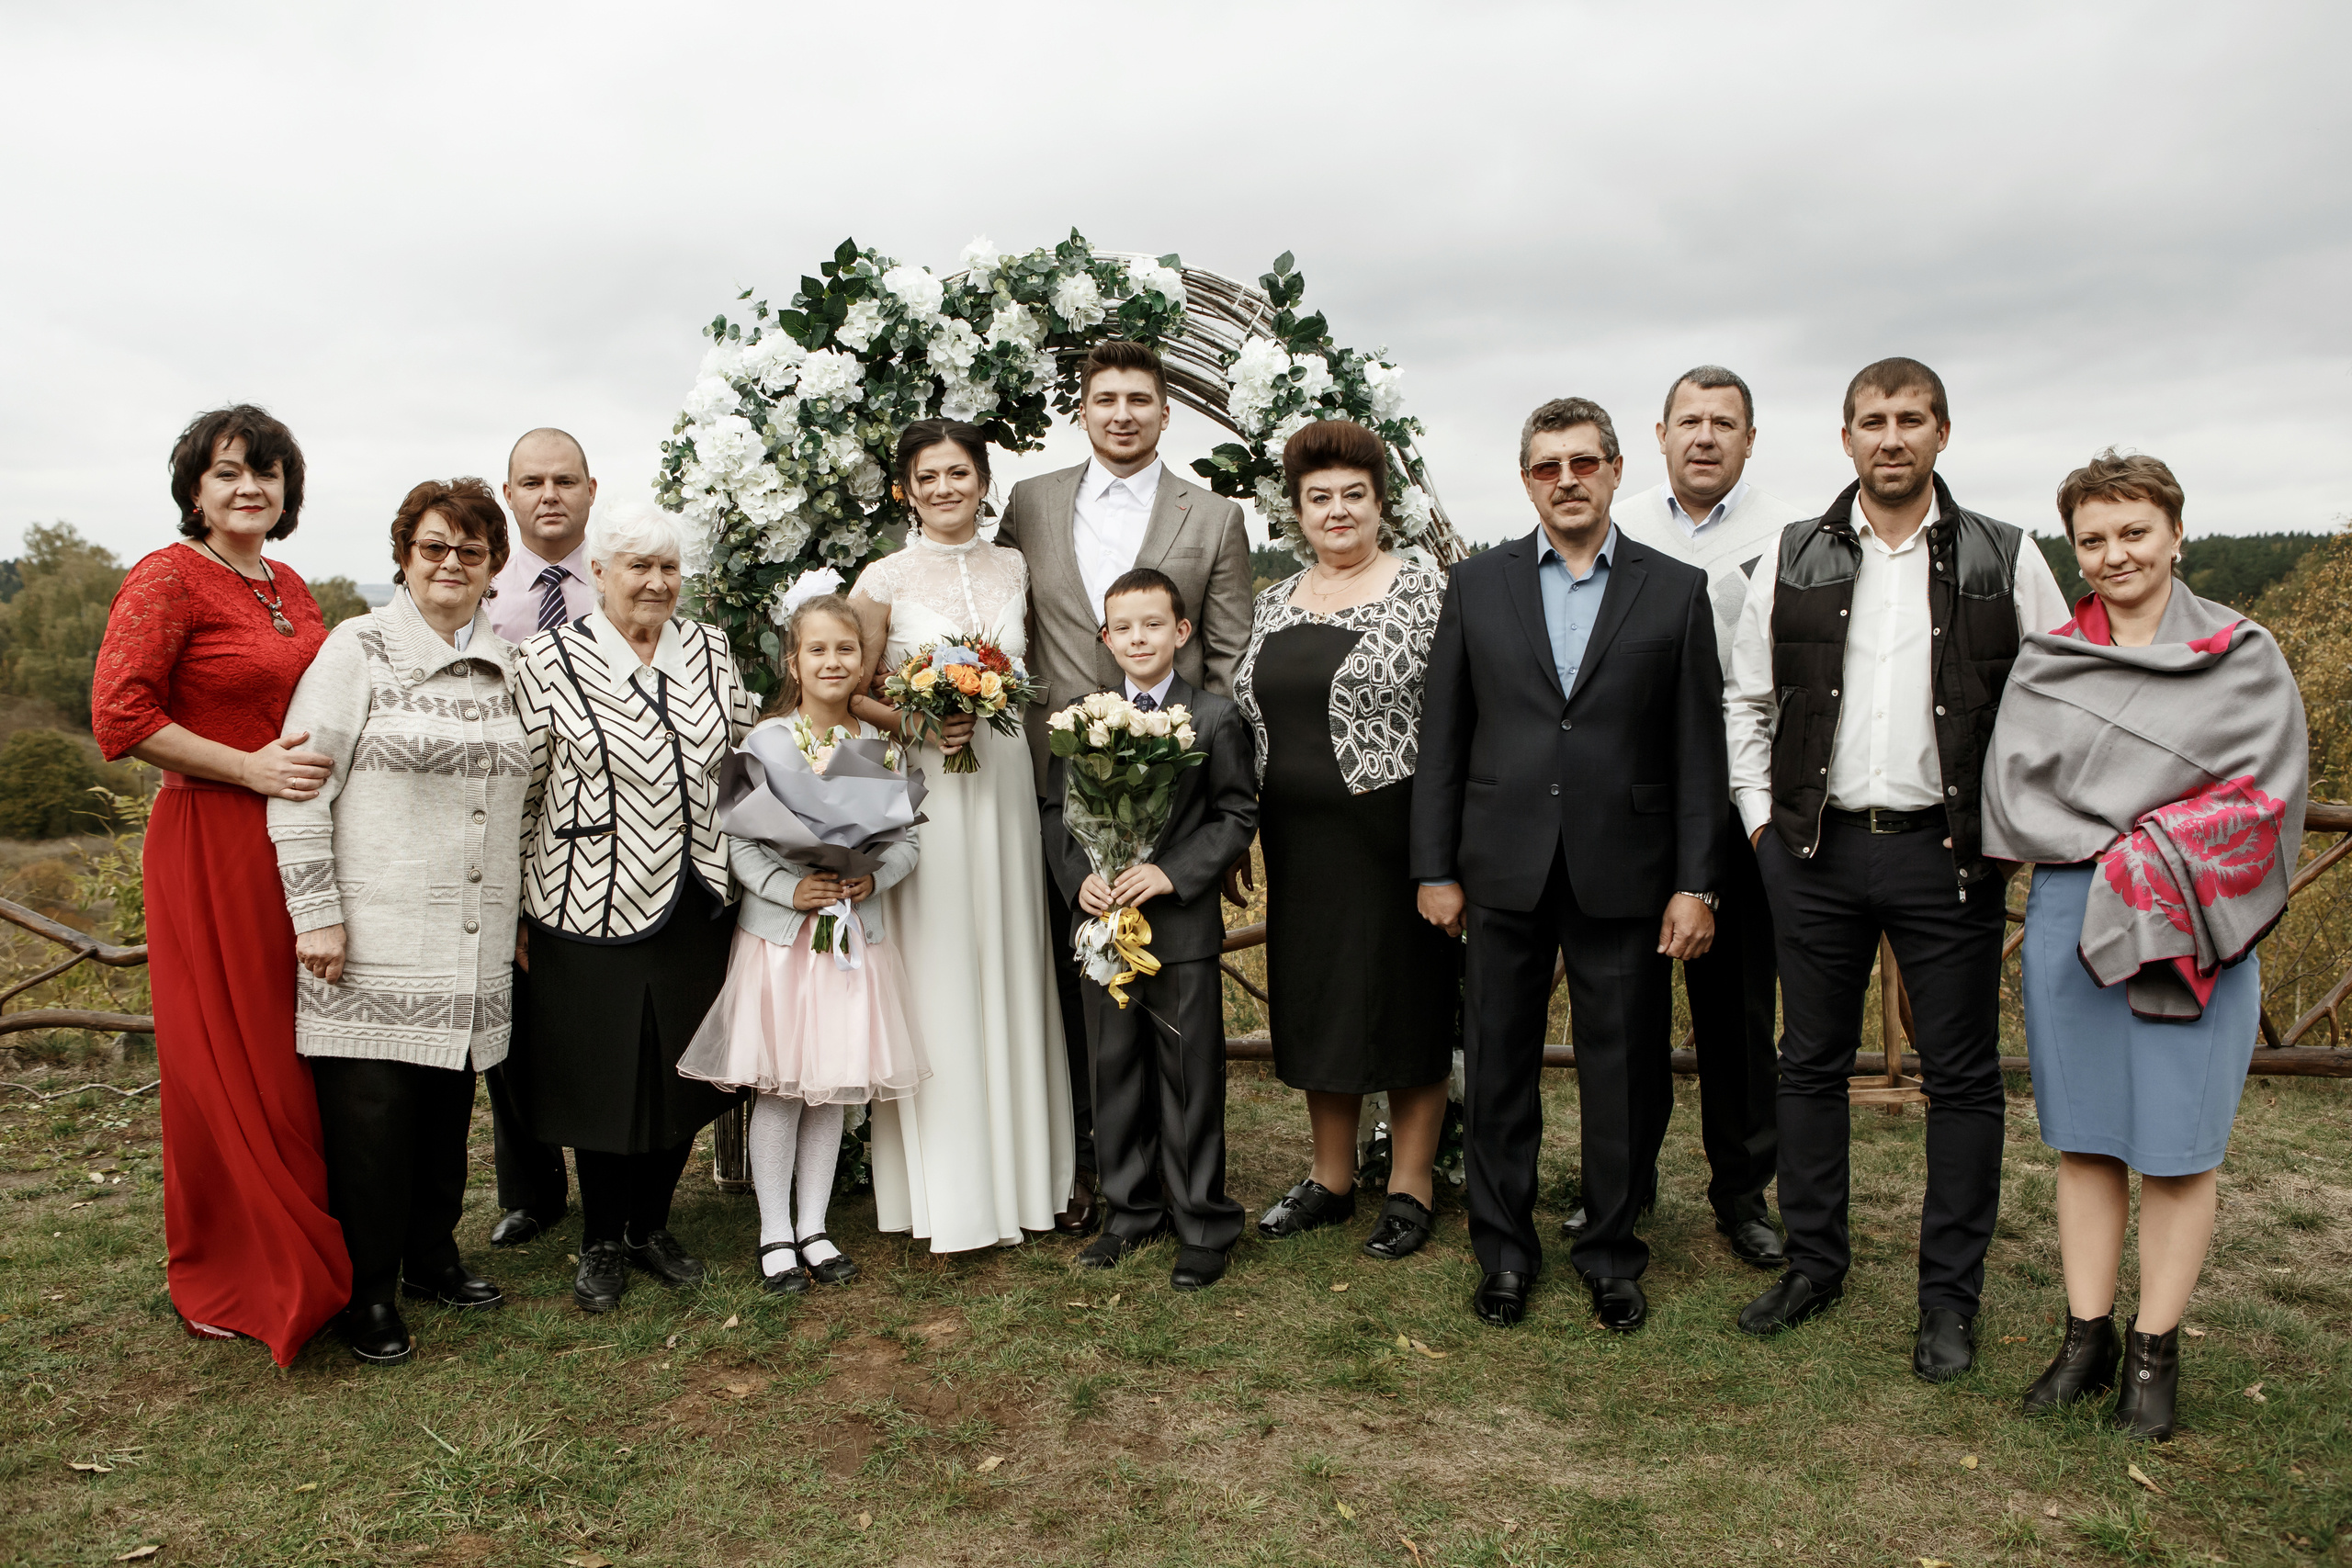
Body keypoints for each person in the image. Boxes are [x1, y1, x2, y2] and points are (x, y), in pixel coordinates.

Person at [1724, 358, 2070, 1379]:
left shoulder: (2004, 556)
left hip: (1947, 854)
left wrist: (2009, 831)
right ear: (1844, 440)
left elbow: (2053, 708)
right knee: (1808, 1065)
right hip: (1815, 852)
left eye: (1909, 419)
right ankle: (1813, 1265)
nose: (1889, 438)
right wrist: (1759, 832)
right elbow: (1746, 704)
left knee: (1961, 1081)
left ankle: (1947, 1300)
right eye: (1870, 421)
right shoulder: (1791, 554)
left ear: (1941, 434)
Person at [1984, 450, 2305, 1441]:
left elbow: (2266, 797)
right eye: (2092, 539)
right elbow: (2014, 796)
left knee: (2175, 1148)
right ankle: (2084, 1339)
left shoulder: (2243, 653)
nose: (2114, 554)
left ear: (2175, 531)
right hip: (2073, 919)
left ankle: (2154, 1354)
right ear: (2072, 549)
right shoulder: (2049, 657)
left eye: (2133, 532)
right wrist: (2126, 836)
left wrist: (2151, 847)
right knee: (2083, 1141)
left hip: (2196, 920)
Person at [1412, 398, 1724, 1333]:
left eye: (1583, 462)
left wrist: (1695, 880)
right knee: (1499, 1068)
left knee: (1624, 1074)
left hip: (1624, 871)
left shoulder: (1672, 590)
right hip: (1498, 866)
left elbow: (1696, 749)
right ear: (1526, 482)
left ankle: (1611, 1255)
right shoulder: (1477, 585)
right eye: (1547, 467)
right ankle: (1503, 1253)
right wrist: (1434, 867)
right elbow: (1445, 739)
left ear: (1617, 469)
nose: (1566, 480)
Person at [90, 404, 349, 1364]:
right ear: (194, 488)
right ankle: (241, 1265)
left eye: (269, 473)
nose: (251, 488)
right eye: (230, 472)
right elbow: (119, 716)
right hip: (211, 836)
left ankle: (314, 1242)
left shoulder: (288, 582)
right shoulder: (165, 578)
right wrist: (244, 768)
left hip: (297, 836)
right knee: (231, 1054)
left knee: (295, 1045)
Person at [997, 341, 1253, 1236]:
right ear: (1082, 409)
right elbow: (1000, 617)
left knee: (1172, 1021)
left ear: (1164, 410)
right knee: (1080, 998)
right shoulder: (1028, 503)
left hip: (1175, 795)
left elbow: (1224, 660)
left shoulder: (1212, 517)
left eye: (1139, 398)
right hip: (1057, 785)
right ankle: (1096, 1175)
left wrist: (1202, 838)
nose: (1121, 413)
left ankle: (1176, 1196)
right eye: (1104, 398)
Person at [267, 479, 526, 1363]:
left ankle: (431, 1257)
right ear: (404, 557)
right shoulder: (358, 648)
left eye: (470, 549)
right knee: (372, 1128)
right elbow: (299, 790)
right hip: (372, 937)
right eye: (432, 547)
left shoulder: (509, 668)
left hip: (476, 941)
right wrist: (317, 915)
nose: (451, 563)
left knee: (448, 1112)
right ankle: (367, 1290)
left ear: (493, 565)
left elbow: (522, 808)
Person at [509, 501, 759, 1312]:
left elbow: (743, 763)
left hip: (702, 898)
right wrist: (516, 908)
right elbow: (523, 792)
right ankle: (601, 1241)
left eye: (669, 568)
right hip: (589, 897)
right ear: (599, 573)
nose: (656, 583)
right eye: (638, 567)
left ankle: (652, 1224)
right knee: (604, 1078)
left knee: (685, 1075)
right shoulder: (546, 660)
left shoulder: (711, 648)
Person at [847, 419, 1076, 1251]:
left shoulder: (1015, 563)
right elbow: (856, 686)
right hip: (931, 791)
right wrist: (918, 716)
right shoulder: (883, 577)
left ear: (984, 480)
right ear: (907, 490)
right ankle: (946, 1191)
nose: (946, 488)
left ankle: (1026, 1181)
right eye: (928, 477)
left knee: (1013, 956)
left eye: (960, 473)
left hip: (1009, 780)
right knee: (941, 963)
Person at [1236, 419, 1458, 1262]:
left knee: (1406, 1001)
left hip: (1395, 834)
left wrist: (1446, 853)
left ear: (1379, 504)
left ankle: (1411, 1183)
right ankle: (1330, 1179)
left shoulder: (1427, 591)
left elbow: (1456, 725)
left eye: (1352, 495)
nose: (1337, 511)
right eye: (1319, 497)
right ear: (1297, 510)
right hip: (1299, 843)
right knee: (1319, 999)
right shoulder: (1272, 601)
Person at [1607, 366, 1805, 1267]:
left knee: (1734, 1013)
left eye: (1724, 422)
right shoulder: (1621, 528)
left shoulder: (1793, 540)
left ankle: (1741, 1192)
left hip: (1739, 799)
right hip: (1635, 797)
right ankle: (1626, 1180)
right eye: (1689, 420)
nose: (1704, 436)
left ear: (1749, 440)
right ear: (1659, 433)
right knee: (1629, 1006)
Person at [676, 590, 926, 1293]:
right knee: (784, 1089)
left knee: (832, 1089)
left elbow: (905, 844)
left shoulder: (876, 751)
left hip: (852, 939)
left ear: (864, 662)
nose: (832, 660)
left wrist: (870, 881)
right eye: (817, 648)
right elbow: (743, 845)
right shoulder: (766, 742)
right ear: (794, 660)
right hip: (784, 945)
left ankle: (815, 1226)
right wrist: (792, 890)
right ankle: (774, 1233)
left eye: (846, 649)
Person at [1041, 567, 1259, 1290]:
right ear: (1105, 638)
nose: (1138, 637)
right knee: (1113, 1069)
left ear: (1182, 631)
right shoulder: (1079, 717)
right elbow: (1054, 814)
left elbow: (1235, 813)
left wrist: (1171, 873)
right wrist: (1082, 880)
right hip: (1103, 925)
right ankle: (1130, 1212)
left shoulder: (1215, 717)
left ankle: (1202, 1219)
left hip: (1179, 927)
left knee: (1187, 1070)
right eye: (1123, 627)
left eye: (1153, 624)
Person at [480, 427, 601, 1246]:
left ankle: (609, 1174)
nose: (549, 494)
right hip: (501, 815)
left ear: (592, 490)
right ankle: (529, 1189)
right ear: (510, 495)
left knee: (592, 1011)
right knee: (512, 1009)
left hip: (596, 825)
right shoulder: (479, 596)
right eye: (532, 481)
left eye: (564, 479)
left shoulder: (628, 581)